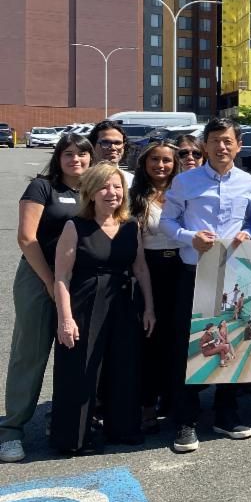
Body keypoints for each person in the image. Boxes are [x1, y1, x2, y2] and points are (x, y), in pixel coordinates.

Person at [160, 117, 251, 454]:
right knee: (188, 346)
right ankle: (185, 420)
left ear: (238, 145)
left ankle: (226, 414)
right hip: (194, 272)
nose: (221, 146)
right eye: (215, 140)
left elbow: (249, 221)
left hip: (232, 276)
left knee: (232, 342)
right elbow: (166, 221)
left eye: (228, 140)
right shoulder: (185, 182)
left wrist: (248, 233)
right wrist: (189, 237)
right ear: (205, 145)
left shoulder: (249, 182)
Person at [0, 134, 93, 463]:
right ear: (59, 157)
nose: (76, 160)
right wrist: (50, 281)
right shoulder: (42, 187)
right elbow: (27, 238)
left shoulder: (92, 190)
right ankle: (11, 429)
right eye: (69, 154)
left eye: (82, 154)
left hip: (76, 281)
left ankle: (64, 421)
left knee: (75, 353)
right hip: (39, 277)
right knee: (30, 352)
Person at [50, 163, 154, 453]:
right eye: (105, 187)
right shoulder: (75, 226)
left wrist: (149, 309)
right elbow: (62, 276)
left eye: (118, 186)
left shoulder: (131, 225)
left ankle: (122, 430)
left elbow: (141, 269)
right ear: (91, 192)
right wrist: (65, 319)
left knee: (124, 366)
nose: (112, 193)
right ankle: (74, 438)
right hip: (85, 301)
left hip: (124, 300)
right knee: (81, 370)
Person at [129, 141, 184, 434]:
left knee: (179, 340)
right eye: (154, 160)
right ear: (144, 163)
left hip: (182, 267)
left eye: (166, 160)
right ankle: (147, 404)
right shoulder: (135, 197)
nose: (160, 166)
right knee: (151, 339)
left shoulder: (182, 192)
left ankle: (175, 402)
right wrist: (148, 300)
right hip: (150, 270)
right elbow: (137, 250)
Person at [87, 120, 133, 187]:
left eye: (118, 143)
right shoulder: (83, 180)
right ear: (92, 145)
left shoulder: (132, 181)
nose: (113, 148)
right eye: (105, 143)